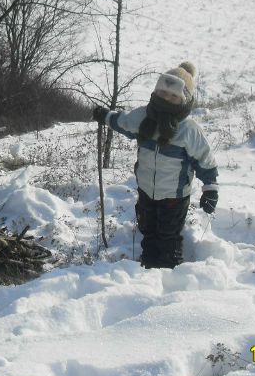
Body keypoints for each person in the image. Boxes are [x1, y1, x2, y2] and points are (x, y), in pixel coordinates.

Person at [92, 61, 219, 268]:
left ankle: (169, 270)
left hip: (174, 196)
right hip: (145, 190)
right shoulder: (143, 116)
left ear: (184, 99)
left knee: (168, 235)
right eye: (162, 93)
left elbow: (205, 161)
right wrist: (105, 116)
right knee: (148, 229)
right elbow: (124, 123)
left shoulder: (188, 129)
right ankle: (148, 264)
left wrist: (210, 189)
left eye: (173, 95)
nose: (166, 98)